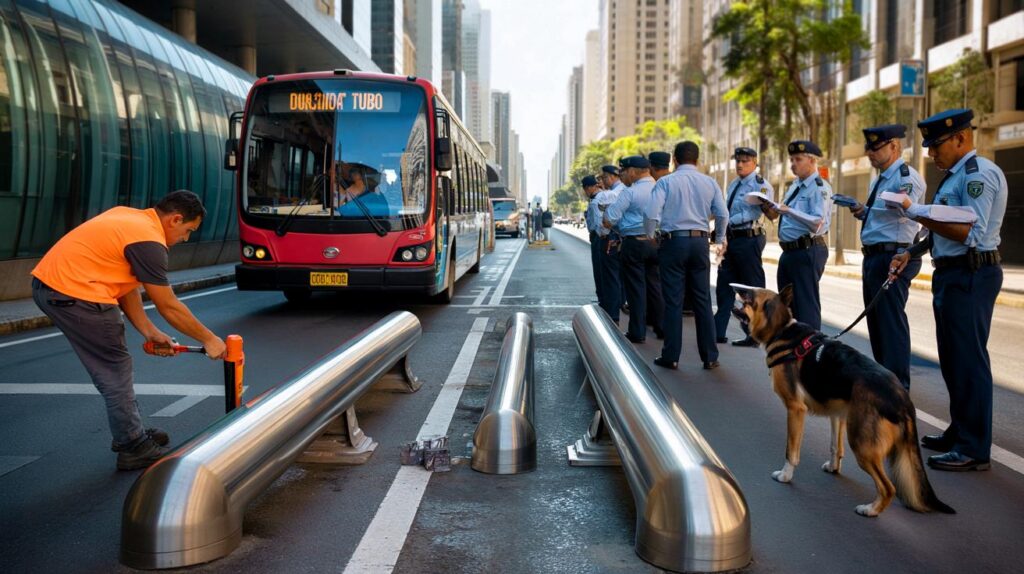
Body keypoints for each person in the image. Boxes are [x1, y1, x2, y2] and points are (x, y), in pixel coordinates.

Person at [31, 190, 227, 471]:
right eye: (188, 231)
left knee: (113, 365)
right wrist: (209, 339)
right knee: (114, 368)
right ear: (175, 219)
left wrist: (149, 331)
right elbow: (168, 305)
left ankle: (131, 433)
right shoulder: (149, 241)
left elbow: (126, 284)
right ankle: (132, 445)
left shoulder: (129, 218)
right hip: (76, 292)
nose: (185, 239)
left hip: (53, 286)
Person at [889, 108, 1006, 472]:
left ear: (960, 139)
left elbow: (968, 232)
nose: (931, 153)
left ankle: (973, 448)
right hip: (952, 274)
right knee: (954, 360)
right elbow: (942, 228)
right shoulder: (954, 176)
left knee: (968, 360)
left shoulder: (977, 176)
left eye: (937, 145)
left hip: (971, 275)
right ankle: (960, 431)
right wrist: (912, 251)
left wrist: (915, 211)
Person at [846, 125, 924, 390]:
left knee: (891, 322)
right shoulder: (878, 178)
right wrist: (864, 211)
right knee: (876, 322)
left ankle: (898, 386)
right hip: (874, 256)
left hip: (895, 254)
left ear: (895, 146)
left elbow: (907, 210)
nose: (871, 153)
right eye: (869, 148)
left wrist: (876, 209)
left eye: (876, 148)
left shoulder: (906, 176)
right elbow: (882, 213)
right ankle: (884, 377)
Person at [646, 141, 728, 370]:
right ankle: (710, 356)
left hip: (674, 243)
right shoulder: (710, 182)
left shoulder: (665, 182)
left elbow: (651, 213)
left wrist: (651, 234)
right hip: (700, 242)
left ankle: (671, 356)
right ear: (697, 160)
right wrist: (719, 238)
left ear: (674, 159)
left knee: (673, 301)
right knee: (703, 300)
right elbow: (722, 214)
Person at [761, 140, 832, 330]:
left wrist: (789, 211)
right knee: (787, 305)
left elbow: (818, 223)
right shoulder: (795, 186)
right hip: (790, 252)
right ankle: (794, 349)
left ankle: (810, 351)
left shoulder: (819, 187)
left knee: (805, 306)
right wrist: (768, 208)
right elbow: (780, 215)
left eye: (798, 159)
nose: (793, 164)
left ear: (811, 161)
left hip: (807, 249)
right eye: (791, 159)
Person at [714, 147, 772, 347]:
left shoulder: (761, 185)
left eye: (745, 161)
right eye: (737, 160)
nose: (740, 164)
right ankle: (717, 331)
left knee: (751, 289)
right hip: (732, 239)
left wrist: (729, 222)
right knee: (724, 285)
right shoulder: (733, 184)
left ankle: (754, 335)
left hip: (748, 239)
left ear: (755, 162)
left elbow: (761, 211)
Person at [604, 155, 663, 343]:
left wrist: (613, 222)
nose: (622, 176)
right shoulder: (662, 187)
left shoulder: (630, 192)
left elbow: (609, 219)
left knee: (636, 289)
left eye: (623, 172)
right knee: (655, 286)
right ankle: (662, 327)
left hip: (634, 243)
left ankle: (637, 332)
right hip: (658, 242)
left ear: (631, 171)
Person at [595, 165, 625, 323]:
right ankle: (617, 308)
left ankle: (612, 315)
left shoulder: (611, 195)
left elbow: (606, 221)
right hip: (621, 238)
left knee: (611, 278)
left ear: (614, 177)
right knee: (619, 278)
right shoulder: (624, 191)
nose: (603, 181)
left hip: (611, 238)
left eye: (605, 177)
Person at [583, 175, 604, 303]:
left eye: (585, 189)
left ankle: (602, 298)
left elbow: (596, 223)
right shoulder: (601, 196)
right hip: (600, 236)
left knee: (599, 269)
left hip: (598, 237)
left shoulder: (596, 200)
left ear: (589, 187)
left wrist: (595, 234)